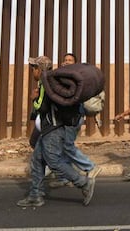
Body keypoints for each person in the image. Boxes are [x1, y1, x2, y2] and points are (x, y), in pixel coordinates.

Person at [17, 56, 95, 207]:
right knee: (37, 160)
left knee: (54, 161)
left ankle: (83, 183)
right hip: (50, 129)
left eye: (33, 68)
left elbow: (43, 107)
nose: (32, 71)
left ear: (38, 70)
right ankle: (35, 195)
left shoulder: (46, 83)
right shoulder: (49, 81)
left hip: (53, 129)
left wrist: (34, 98)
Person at [49, 53, 102, 188]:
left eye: (70, 61)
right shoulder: (63, 77)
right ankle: (64, 177)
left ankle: (90, 167)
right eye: (65, 60)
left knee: (67, 145)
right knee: (62, 146)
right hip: (64, 118)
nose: (66, 62)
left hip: (73, 117)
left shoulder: (77, 79)